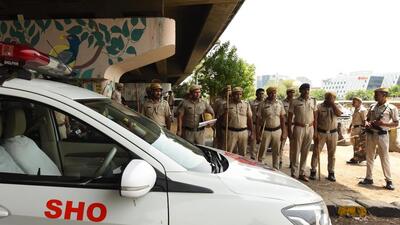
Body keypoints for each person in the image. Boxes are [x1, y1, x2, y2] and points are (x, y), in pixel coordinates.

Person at [359, 87, 398, 190]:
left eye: (377, 94)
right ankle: (369, 178)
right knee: (369, 156)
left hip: (382, 135)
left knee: (384, 158)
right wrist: (367, 124)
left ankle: (389, 180)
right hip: (370, 134)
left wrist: (384, 123)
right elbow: (367, 120)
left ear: (384, 95)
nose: (375, 96)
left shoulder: (391, 108)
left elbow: (396, 123)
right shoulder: (372, 106)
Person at [310, 92, 343, 182]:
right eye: (328, 98)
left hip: (333, 133)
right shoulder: (319, 106)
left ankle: (331, 172)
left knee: (332, 154)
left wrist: (332, 104)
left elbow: (339, 114)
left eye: (331, 98)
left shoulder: (336, 106)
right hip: (321, 133)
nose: (329, 99)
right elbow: (315, 120)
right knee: (316, 152)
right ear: (325, 98)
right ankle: (313, 170)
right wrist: (315, 132)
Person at [288, 83, 317, 182]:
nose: (306, 91)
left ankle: (302, 172)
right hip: (298, 127)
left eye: (308, 89)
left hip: (310, 127)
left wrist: (315, 131)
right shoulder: (294, 102)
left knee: (306, 151)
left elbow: (315, 116)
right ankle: (294, 173)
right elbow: (289, 117)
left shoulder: (313, 101)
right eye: (304, 89)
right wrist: (289, 131)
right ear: (300, 91)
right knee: (296, 151)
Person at [256, 87, 286, 169]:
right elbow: (258, 119)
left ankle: (276, 169)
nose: (273, 95)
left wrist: (284, 132)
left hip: (277, 130)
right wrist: (258, 134)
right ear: (268, 94)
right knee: (262, 152)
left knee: (276, 152)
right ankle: (260, 169)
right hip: (265, 131)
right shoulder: (262, 104)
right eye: (271, 93)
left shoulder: (280, 103)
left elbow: (282, 118)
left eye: (274, 93)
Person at [221, 87, 252, 156]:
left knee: (243, 154)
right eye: (236, 94)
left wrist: (251, 132)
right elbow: (223, 121)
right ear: (232, 95)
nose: (238, 96)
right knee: (228, 153)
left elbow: (249, 118)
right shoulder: (226, 105)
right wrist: (225, 112)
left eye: (240, 94)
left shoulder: (246, 104)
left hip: (243, 132)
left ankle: (242, 166)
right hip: (231, 132)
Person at [347, 97, 367, 164]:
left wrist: (363, 132)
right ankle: (355, 157)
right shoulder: (355, 110)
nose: (352, 103)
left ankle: (358, 158)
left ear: (359, 102)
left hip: (359, 129)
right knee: (354, 144)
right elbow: (353, 120)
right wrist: (350, 127)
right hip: (354, 128)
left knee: (358, 144)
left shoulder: (362, 110)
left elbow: (365, 121)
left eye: (354, 102)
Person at [248, 88, 265, 159]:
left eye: (262, 94)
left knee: (263, 142)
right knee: (253, 142)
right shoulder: (251, 103)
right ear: (256, 94)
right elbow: (249, 115)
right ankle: (253, 157)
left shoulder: (266, 103)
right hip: (254, 124)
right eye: (260, 93)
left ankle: (260, 159)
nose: (261, 95)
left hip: (263, 126)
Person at [281, 88, 295, 168]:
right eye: (290, 92)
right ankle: (279, 160)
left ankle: (292, 162)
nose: (292, 94)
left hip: (293, 125)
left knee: (293, 145)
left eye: (293, 92)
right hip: (285, 125)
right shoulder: (282, 103)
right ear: (287, 93)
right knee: (282, 143)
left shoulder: (296, 102)